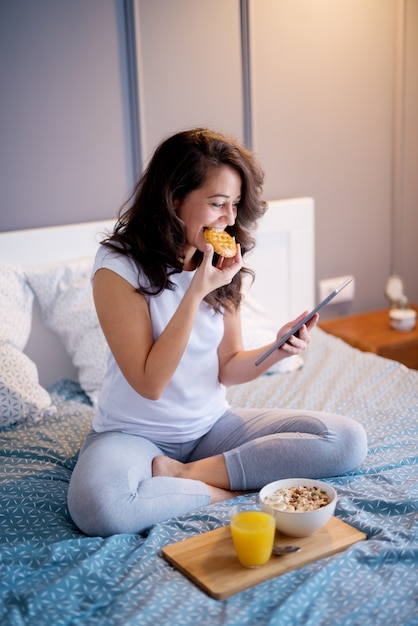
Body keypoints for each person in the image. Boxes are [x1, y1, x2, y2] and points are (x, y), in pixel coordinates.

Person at [67, 128, 367, 537]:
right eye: (216, 204)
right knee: (101, 510)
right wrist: (195, 292)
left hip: (210, 428)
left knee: (346, 440)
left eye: (235, 204)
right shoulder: (118, 267)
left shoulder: (223, 259)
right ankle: (227, 495)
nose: (229, 217)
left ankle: (187, 474)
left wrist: (277, 349)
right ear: (173, 200)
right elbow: (150, 383)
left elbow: (227, 366)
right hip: (131, 435)